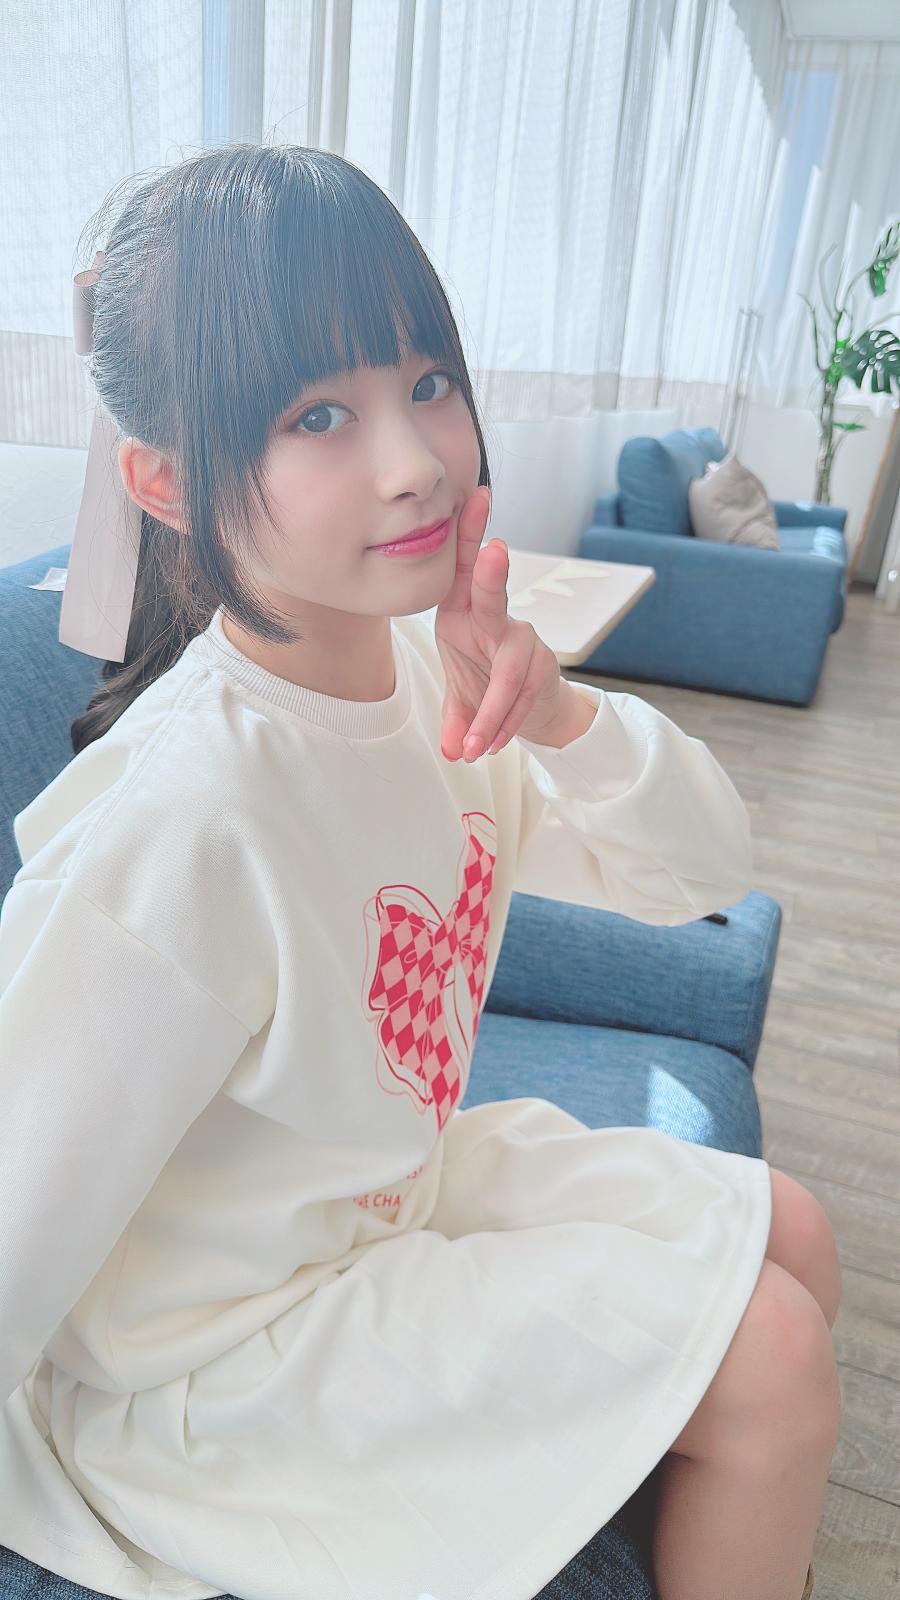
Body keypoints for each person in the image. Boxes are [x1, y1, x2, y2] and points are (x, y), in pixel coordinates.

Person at [0, 143, 837, 1600]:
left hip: (383, 1203)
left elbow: (699, 869)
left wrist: (558, 712)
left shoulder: (428, 677)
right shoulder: (185, 820)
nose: (416, 463)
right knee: (767, 1357)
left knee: (796, 1230)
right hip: (215, 1362)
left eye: (427, 382)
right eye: (319, 415)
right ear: (168, 483)